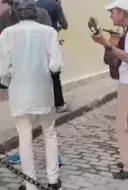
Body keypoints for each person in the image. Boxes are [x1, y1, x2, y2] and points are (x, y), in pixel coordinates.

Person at [0, 0, 63, 189]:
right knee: (49, 134)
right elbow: (56, 65)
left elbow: (3, 69)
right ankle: (53, 180)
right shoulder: (49, 32)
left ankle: (30, 184)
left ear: (17, 14)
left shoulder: (6, 34)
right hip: (43, 90)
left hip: (20, 92)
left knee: (24, 137)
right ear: (35, 12)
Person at [91, 0, 128, 180]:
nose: (111, 16)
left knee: (123, 126)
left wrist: (106, 44)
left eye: (113, 12)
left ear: (122, 13)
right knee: (127, 124)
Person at [36, 0, 68, 113]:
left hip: (36, 44)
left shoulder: (35, 5)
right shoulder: (55, 5)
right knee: (54, 74)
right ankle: (59, 104)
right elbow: (64, 25)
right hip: (51, 42)